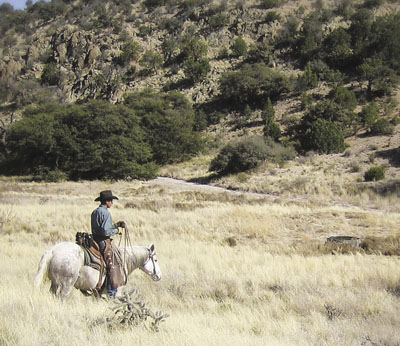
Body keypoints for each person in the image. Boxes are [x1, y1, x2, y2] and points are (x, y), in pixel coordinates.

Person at [91, 190, 126, 298]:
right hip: (103, 241)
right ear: (107, 201)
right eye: (111, 200)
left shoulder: (95, 212)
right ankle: (111, 293)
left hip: (94, 239)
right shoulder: (105, 213)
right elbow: (105, 231)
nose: (112, 203)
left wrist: (115, 225)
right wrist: (116, 231)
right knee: (113, 266)